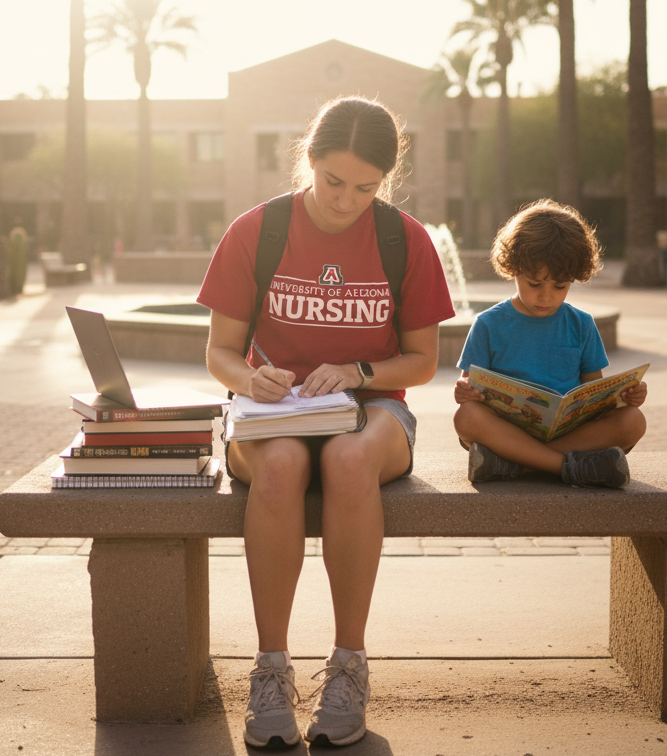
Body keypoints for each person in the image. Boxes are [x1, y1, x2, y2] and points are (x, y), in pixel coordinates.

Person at [198, 96, 454, 747]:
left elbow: (422, 363)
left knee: (346, 460)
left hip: (374, 415)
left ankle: (349, 666)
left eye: (365, 188)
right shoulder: (258, 231)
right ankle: (272, 668)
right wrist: (246, 377)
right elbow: (219, 352)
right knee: (282, 466)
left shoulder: (405, 239)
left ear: (384, 181)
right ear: (308, 159)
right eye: (334, 181)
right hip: (271, 416)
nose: (345, 201)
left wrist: (360, 372)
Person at [453, 199, 647, 487]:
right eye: (534, 283)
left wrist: (625, 399)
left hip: (568, 433)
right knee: (466, 417)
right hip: (507, 430)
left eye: (560, 286)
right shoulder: (488, 324)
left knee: (634, 421)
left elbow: (596, 394)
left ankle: (516, 464)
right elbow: (469, 390)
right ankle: (567, 467)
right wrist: (464, 392)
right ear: (513, 268)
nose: (546, 297)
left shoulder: (582, 324)